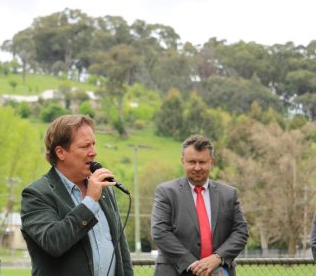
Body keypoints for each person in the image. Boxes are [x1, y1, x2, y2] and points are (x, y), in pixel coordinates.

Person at [20, 114, 133, 276]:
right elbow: (54, 242)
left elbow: (121, 249)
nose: (93, 152)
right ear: (60, 153)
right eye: (85, 146)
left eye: (94, 144)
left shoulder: (104, 189)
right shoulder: (37, 194)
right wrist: (90, 202)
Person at [151, 135, 248, 276]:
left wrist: (217, 257)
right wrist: (195, 265)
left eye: (202, 162)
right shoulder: (166, 192)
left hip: (219, 271)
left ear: (212, 162)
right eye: (191, 162)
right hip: (175, 271)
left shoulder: (229, 194)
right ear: (182, 161)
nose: (197, 167)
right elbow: (160, 232)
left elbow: (241, 231)